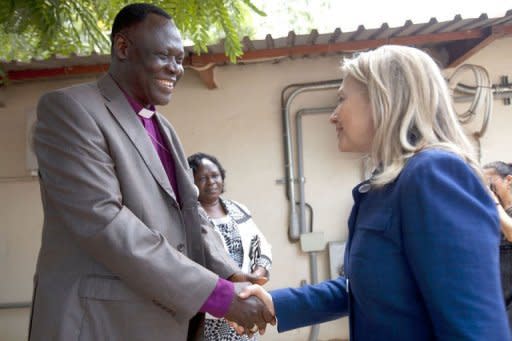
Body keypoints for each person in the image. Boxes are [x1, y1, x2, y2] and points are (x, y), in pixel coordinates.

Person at [29, 3, 273, 340]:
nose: (176, 69)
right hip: (99, 324)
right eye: (165, 56)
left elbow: (192, 216)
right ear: (123, 48)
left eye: (180, 59)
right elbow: (105, 223)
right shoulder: (71, 110)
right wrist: (216, 296)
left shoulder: (163, 126)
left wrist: (231, 277)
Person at [235, 45, 511, 340]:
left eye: (342, 99)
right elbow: (367, 288)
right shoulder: (389, 183)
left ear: (384, 99)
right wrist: (277, 303)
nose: (333, 115)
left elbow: (475, 327)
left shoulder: (434, 173)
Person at [188, 152, 272, 341]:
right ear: (190, 183)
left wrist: (258, 273)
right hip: (212, 309)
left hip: (246, 301)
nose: (211, 182)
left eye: (215, 175)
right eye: (202, 178)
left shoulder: (238, 209)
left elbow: (262, 245)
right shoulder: (190, 216)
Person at [483, 161, 512, 329]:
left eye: (490, 183)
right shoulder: (492, 219)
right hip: (497, 307)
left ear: (509, 181)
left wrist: (493, 202)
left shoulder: (500, 214)